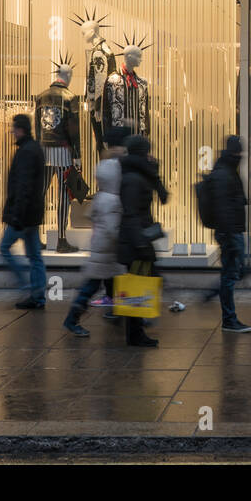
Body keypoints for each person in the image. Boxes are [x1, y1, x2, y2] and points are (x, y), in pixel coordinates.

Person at [63, 158, 124, 338]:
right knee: (91, 287)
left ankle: (117, 312)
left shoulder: (100, 196)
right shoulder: (113, 200)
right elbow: (113, 229)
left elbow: (91, 216)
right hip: (108, 251)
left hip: (100, 247)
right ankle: (72, 319)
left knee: (110, 283)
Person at [117, 134, 167, 346]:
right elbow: (130, 214)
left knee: (141, 283)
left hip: (138, 238)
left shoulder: (139, 174)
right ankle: (135, 333)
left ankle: (136, 332)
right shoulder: (132, 178)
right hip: (136, 240)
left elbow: (164, 197)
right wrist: (140, 243)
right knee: (137, 284)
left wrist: (155, 173)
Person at [0, 113, 47, 310]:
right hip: (32, 214)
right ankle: (37, 296)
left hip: (23, 215)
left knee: (4, 248)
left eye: (14, 128)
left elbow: (23, 186)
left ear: (21, 129)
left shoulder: (26, 152)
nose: (12, 131)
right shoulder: (34, 148)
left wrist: (16, 215)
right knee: (35, 256)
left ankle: (27, 286)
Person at [208, 136, 251, 333]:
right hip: (230, 232)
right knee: (230, 275)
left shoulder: (227, 170)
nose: (240, 156)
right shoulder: (224, 174)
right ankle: (228, 318)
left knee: (231, 273)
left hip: (232, 231)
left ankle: (225, 311)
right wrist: (231, 237)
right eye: (239, 153)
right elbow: (224, 208)